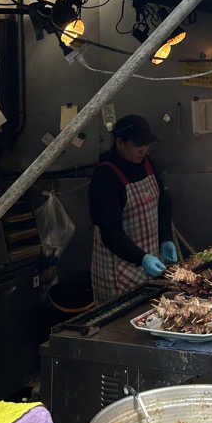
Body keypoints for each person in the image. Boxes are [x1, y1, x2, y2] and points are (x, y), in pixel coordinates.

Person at [88, 114, 177, 303]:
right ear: (120, 142)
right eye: (138, 145)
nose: (143, 150)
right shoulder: (106, 177)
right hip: (118, 271)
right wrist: (141, 258)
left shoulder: (147, 163)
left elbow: (163, 203)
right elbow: (110, 233)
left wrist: (166, 238)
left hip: (149, 262)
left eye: (146, 144)